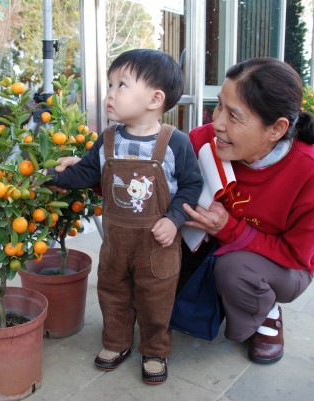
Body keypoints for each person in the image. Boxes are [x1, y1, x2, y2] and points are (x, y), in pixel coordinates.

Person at [48, 49, 203, 384]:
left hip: (157, 244)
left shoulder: (175, 143)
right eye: (109, 84)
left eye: (121, 85)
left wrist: (174, 219)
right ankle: (116, 342)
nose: (109, 94)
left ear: (154, 98)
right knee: (112, 290)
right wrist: (52, 176)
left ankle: (155, 348)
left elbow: (192, 185)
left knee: (156, 298)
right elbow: (87, 174)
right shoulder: (106, 141)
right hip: (116, 242)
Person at [183, 57, 314, 364]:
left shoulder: (311, 174)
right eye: (219, 106)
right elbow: (156, 182)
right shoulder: (202, 141)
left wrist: (229, 229)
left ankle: (266, 312)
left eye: (234, 116)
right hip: (212, 244)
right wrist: (89, 176)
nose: (218, 123)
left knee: (236, 270)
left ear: (276, 129)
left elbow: (295, 255)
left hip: (284, 267)